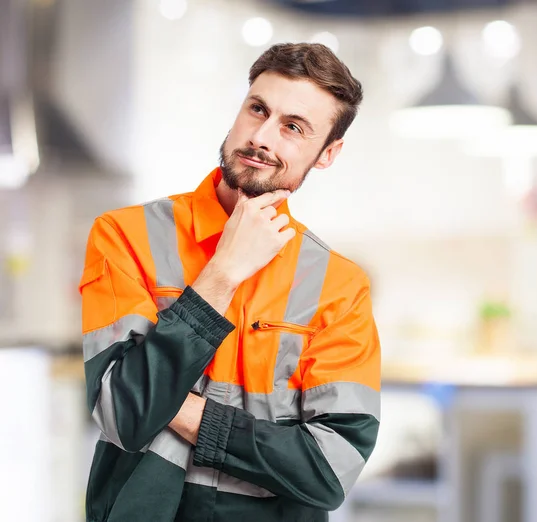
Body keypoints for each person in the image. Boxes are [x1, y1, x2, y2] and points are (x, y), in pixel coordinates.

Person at [79, 42, 381, 522]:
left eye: (293, 128)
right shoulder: (125, 236)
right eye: (257, 109)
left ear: (328, 154)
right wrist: (220, 275)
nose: (262, 137)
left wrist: (180, 409)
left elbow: (328, 471)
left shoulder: (340, 285)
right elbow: (123, 416)